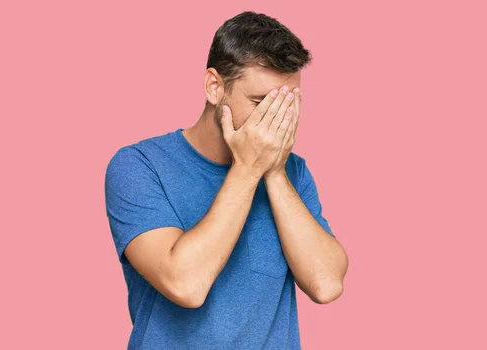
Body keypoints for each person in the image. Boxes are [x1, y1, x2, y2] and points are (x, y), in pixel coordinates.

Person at [104, 11, 349, 349]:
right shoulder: (139, 166)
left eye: (287, 105)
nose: (274, 120)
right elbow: (186, 284)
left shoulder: (294, 172)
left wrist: (273, 171)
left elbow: (326, 284)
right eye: (261, 103)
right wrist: (248, 169)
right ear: (214, 87)